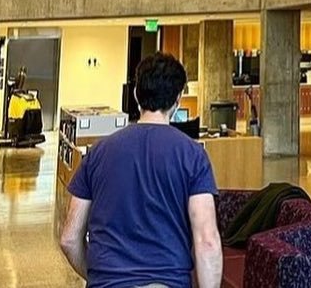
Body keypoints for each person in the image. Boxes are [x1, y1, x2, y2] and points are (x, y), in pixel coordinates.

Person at [59, 52, 223, 288]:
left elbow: (69, 239)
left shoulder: (98, 152)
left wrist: (98, 278)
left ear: (136, 94)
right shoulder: (193, 155)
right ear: (178, 99)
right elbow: (207, 241)